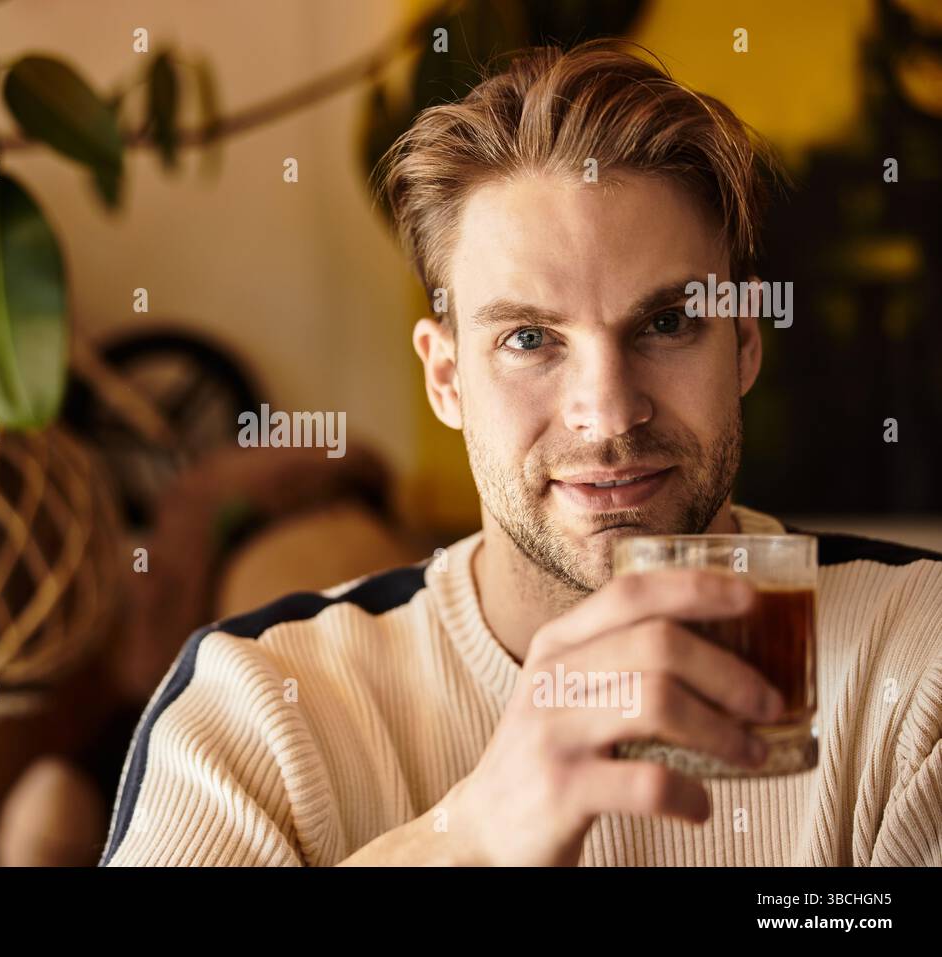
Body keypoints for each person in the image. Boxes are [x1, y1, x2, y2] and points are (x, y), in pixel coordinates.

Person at [97, 40, 942, 866]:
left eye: (668, 323)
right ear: (447, 376)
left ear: (746, 342)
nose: (607, 411)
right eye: (530, 337)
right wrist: (467, 838)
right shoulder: (256, 710)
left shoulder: (919, 662)